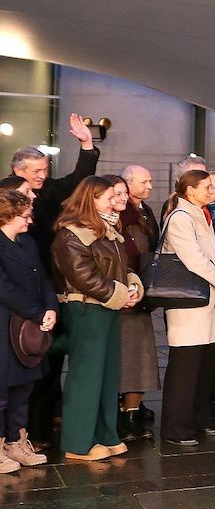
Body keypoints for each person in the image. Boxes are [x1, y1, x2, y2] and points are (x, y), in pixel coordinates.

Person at [11, 113, 99, 451]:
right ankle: (19, 433)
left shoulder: (46, 190)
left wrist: (86, 144)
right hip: (20, 291)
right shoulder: (6, 195)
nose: (41, 177)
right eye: (35, 172)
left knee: (48, 360)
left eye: (44, 170)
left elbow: (79, 179)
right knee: (23, 366)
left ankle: (40, 430)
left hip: (48, 282)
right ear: (17, 171)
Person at [51, 176, 143, 461]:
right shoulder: (71, 234)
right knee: (86, 376)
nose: (115, 202)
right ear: (91, 199)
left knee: (106, 375)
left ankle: (105, 434)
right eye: (109, 197)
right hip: (85, 310)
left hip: (107, 308)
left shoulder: (106, 229)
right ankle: (78, 443)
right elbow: (83, 276)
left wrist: (132, 285)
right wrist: (120, 294)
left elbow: (121, 266)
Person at [160, 170, 215, 446]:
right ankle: (175, 427)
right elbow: (194, 259)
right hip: (189, 303)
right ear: (190, 191)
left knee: (204, 365)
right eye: (207, 187)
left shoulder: (202, 213)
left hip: (209, 299)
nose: (212, 191)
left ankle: (199, 419)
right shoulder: (180, 217)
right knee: (186, 368)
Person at [0, 190, 56, 471]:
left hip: (28, 326)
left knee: (24, 387)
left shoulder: (28, 242)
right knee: (1, 390)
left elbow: (44, 278)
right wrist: (37, 312)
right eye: (24, 216)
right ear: (6, 216)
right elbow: (3, 288)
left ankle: (16, 442)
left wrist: (51, 308)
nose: (30, 221)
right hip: (5, 325)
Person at [102, 173, 158, 441]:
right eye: (117, 193)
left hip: (137, 294)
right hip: (110, 298)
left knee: (139, 358)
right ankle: (112, 416)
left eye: (125, 193)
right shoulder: (99, 224)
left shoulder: (141, 215)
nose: (123, 198)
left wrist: (138, 287)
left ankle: (131, 415)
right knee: (116, 360)